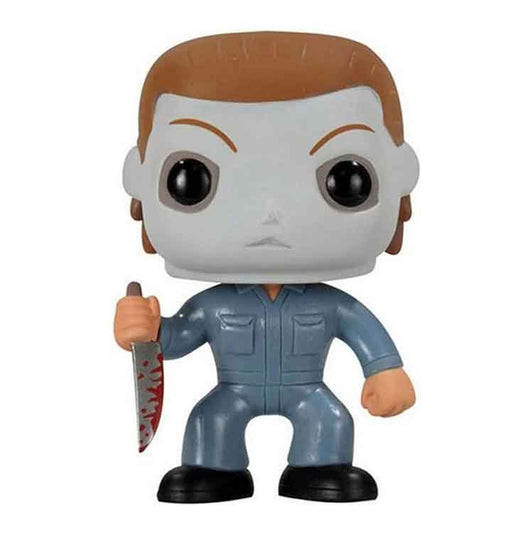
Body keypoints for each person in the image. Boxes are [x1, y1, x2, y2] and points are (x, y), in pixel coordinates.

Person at [114, 31, 419, 503]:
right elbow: (178, 338)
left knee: (331, 419)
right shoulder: (212, 306)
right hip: (233, 390)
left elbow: (364, 331)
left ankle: (323, 467)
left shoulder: (331, 305)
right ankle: (214, 470)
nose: (269, 213)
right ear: (139, 177)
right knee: (209, 419)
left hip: (308, 391)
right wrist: (147, 331)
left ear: (402, 174)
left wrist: (385, 370)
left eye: (345, 178)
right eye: (192, 178)